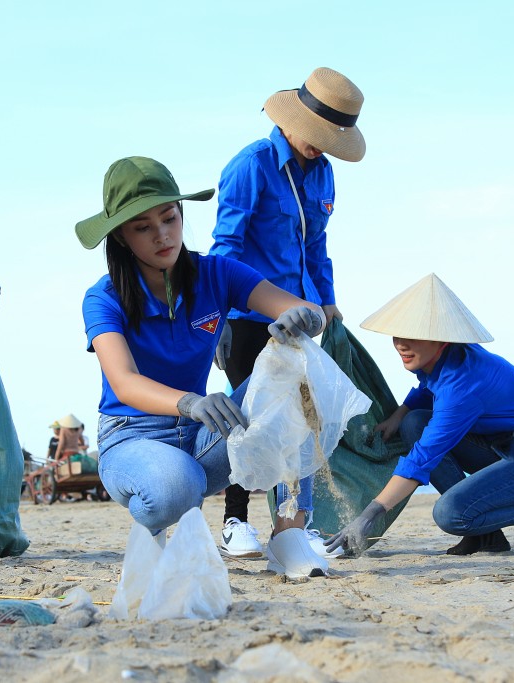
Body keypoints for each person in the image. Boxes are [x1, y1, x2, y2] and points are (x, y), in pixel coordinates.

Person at [77, 156, 331, 578]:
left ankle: (290, 535)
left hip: (203, 436)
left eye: (169, 218)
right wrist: (190, 402)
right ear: (121, 237)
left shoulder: (217, 273)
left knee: (295, 373)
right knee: (176, 486)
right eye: (143, 227)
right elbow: (123, 382)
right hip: (133, 436)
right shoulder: (103, 297)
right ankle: (153, 529)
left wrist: (305, 318)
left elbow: (305, 310)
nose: (163, 235)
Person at [210, 67, 366, 560]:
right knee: (250, 421)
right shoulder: (250, 165)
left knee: (304, 420)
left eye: (332, 138)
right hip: (248, 318)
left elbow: (316, 244)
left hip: (301, 324)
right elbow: (225, 249)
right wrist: (215, 320)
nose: (322, 146)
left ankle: (292, 524)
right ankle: (235, 522)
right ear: (292, 119)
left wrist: (328, 299)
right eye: (318, 135)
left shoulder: (323, 172)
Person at [325, 274, 514, 557]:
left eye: (414, 336)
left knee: (451, 514)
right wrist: (400, 413)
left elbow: (422, 459)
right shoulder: (445, 359)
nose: (402, 345)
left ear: (441, 340)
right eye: (398, 335)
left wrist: (366, 518)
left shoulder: (463, 386)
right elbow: (427, 387)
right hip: (499, 445)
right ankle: (486, 538)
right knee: (414, 421)